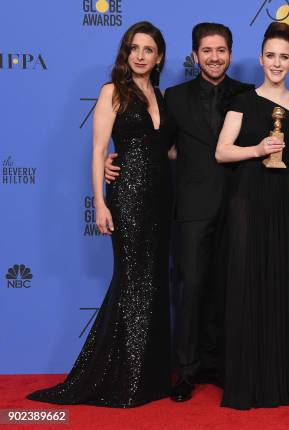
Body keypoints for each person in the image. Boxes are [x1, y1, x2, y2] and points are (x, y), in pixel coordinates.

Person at [105, 23, 253, 402]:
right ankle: (186, 371)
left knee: (229, 287)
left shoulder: (248, 95)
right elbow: (158, 145)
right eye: (207, 50)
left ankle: (221, 365)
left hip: (239, 204)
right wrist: (118, 157)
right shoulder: (173, 96)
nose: (215, 57)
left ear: (230, 54)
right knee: (190, 289)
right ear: (194, 56)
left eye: (221, 50)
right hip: (190, 206)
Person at [27, 21, 172, 407]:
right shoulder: (113, 91)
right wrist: (100, 203)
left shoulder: (161, 94)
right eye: (134, 49)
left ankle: (149, 376)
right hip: (127, 195)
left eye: (148, 50)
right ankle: (122, 377)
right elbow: (97, 151)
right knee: (132, 282)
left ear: (159, 57)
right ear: (126, 53)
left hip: (162, 198)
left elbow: (165, 149)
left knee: (153, 282)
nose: (140, 56)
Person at [214, 22, 289, 410]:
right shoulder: (240, 100)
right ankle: (247, 382)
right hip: (248, 199)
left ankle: (283, 381)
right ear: (260, 58)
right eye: (270, 55)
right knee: (248, 283)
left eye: (283, 57)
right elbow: (222, 152)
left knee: (284, 282)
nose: (276, 62)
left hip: (286, 201)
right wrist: (256, 148)